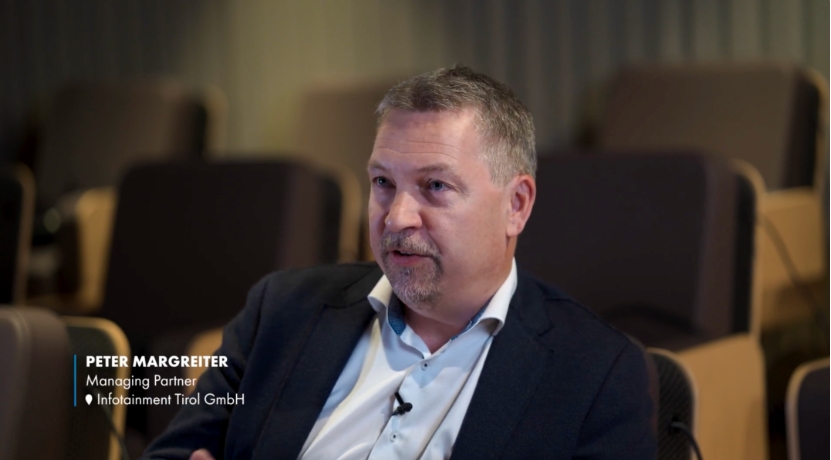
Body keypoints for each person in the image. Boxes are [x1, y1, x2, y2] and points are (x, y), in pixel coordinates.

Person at [141, 66, 656, 460]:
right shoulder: (280, 310)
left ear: (516, 205)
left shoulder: (597, 374)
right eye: (383, 183)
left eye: (435, 186)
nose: (397, 217)